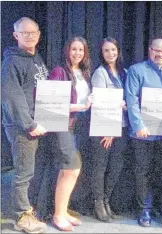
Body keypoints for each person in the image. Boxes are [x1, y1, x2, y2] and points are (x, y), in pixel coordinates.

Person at [125, 38, 162, 227]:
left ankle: (154, 204)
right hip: (142, 133)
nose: (160, 54)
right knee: (143, 172)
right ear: (149, 50)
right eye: (156, 50)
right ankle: (144, 209)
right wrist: (138, 125)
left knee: (160, 171)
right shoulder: (136, 70)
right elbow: (131, 99)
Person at [1, 17, 48, 234]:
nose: (30, 36)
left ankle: (26, 209)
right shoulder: (12, 61)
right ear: (16, 35)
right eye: (25, 33)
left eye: (33, 32)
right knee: (23, 172)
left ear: (39, 34)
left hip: (35, 123)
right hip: (22, 127)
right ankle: (21, 216)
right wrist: (29, 124)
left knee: (29, 170)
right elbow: (12, 96)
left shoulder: (35, 57)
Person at [48, 36, 93, 231]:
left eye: (81, 50)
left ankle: (62, 210)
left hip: (77, 126)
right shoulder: (59, 71)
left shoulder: (84, 72)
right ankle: (58, 215)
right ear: (67, 50)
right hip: (62, 125)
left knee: (67, 170)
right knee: (72, 168)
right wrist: (81, 106)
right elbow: (53, 102)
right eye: (74, 49)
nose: (77, 53)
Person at [90, 37, 130, 222]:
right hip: (105, 128)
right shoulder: (100, 73)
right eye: (106, 50)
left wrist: (127, 105)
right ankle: (98, 204)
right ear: (102, 53)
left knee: (116, 166)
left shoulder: (125, 72)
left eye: (113, 50)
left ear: (118, 51)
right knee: (100, 166)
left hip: (122, 127)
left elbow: (130, 98)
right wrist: (109, 130)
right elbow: (101, 102)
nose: (110, 53)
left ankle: (106, 200)